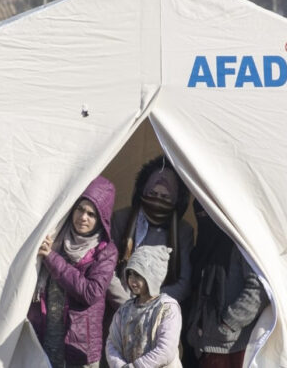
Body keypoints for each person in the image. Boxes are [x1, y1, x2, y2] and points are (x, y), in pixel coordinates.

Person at [28, 176, 118, 368]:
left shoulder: (105, 251)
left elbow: (91, 292)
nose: (83, 217)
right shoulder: (56, 236)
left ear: (101, 219)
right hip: (45, 337)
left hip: (79, 349)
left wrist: (52, 259)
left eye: (91, 214)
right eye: (80, 209)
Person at [186, 200, 267, 368]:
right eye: (200, 214)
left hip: (234, 348)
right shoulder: (202, 248)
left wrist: (228, 323)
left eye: (209, 213)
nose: (204, 218)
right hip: (204, 347)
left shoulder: (240, 245)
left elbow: (258, 288)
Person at [107, 155, 193, 309]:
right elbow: (108, 269)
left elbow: (183, 282)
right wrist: (126, 305)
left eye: (165, 197)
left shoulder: (183, 231)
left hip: (158, 312)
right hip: (119, 308)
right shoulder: (121, 219)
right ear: (143, 191)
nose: (157, 200)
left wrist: (150, 304)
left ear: (176, 200)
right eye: (153, 194)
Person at [106, 245, 183, 368]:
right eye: (130, 274)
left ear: (152, 276)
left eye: (138, 275)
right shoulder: (124, 310)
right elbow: (112, 343)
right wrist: (120, 366)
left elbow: (165, 350)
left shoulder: (167, 308)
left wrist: (136, 366)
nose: (132, 280)